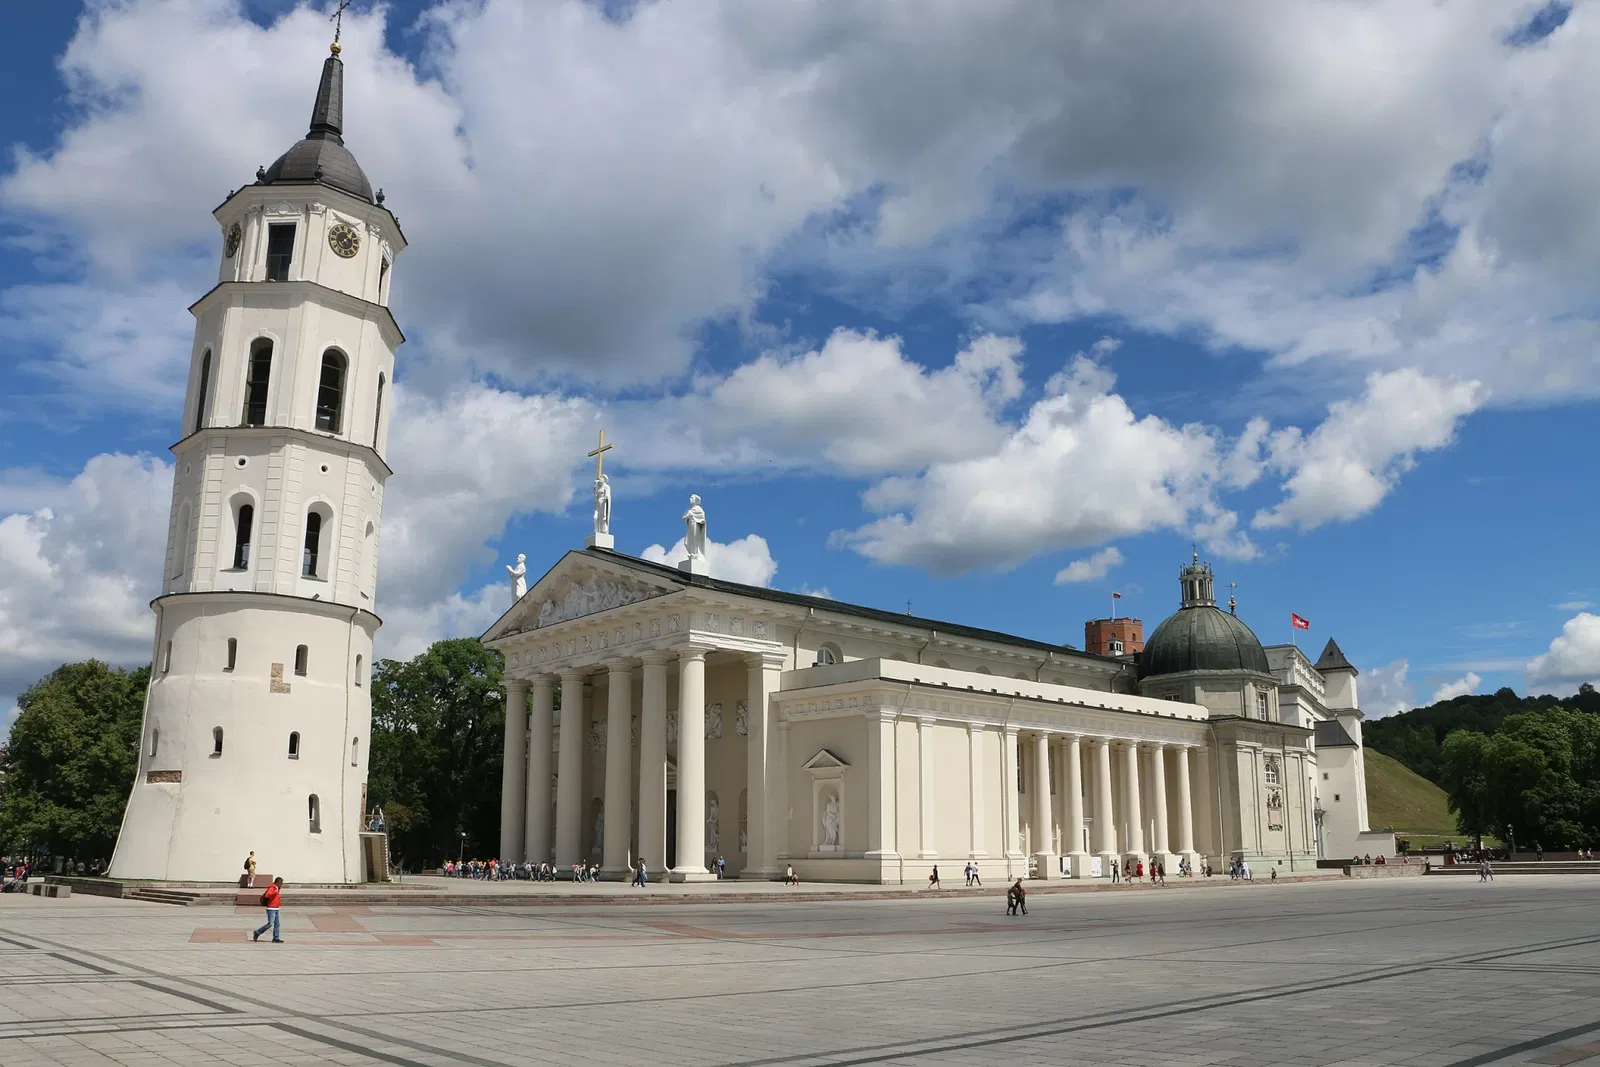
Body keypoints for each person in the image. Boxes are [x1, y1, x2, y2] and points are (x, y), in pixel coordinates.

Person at [251, 877, 284, 943]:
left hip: (276, 908)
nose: (281, 885)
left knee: (277, 924)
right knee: (270, 924)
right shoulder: (272, 887)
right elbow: (267, 895)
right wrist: (275, 892)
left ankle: (276, 938)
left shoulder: (277, 888)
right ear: (277, 882)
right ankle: (257, 932)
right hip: (271, 908)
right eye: (281, 883)